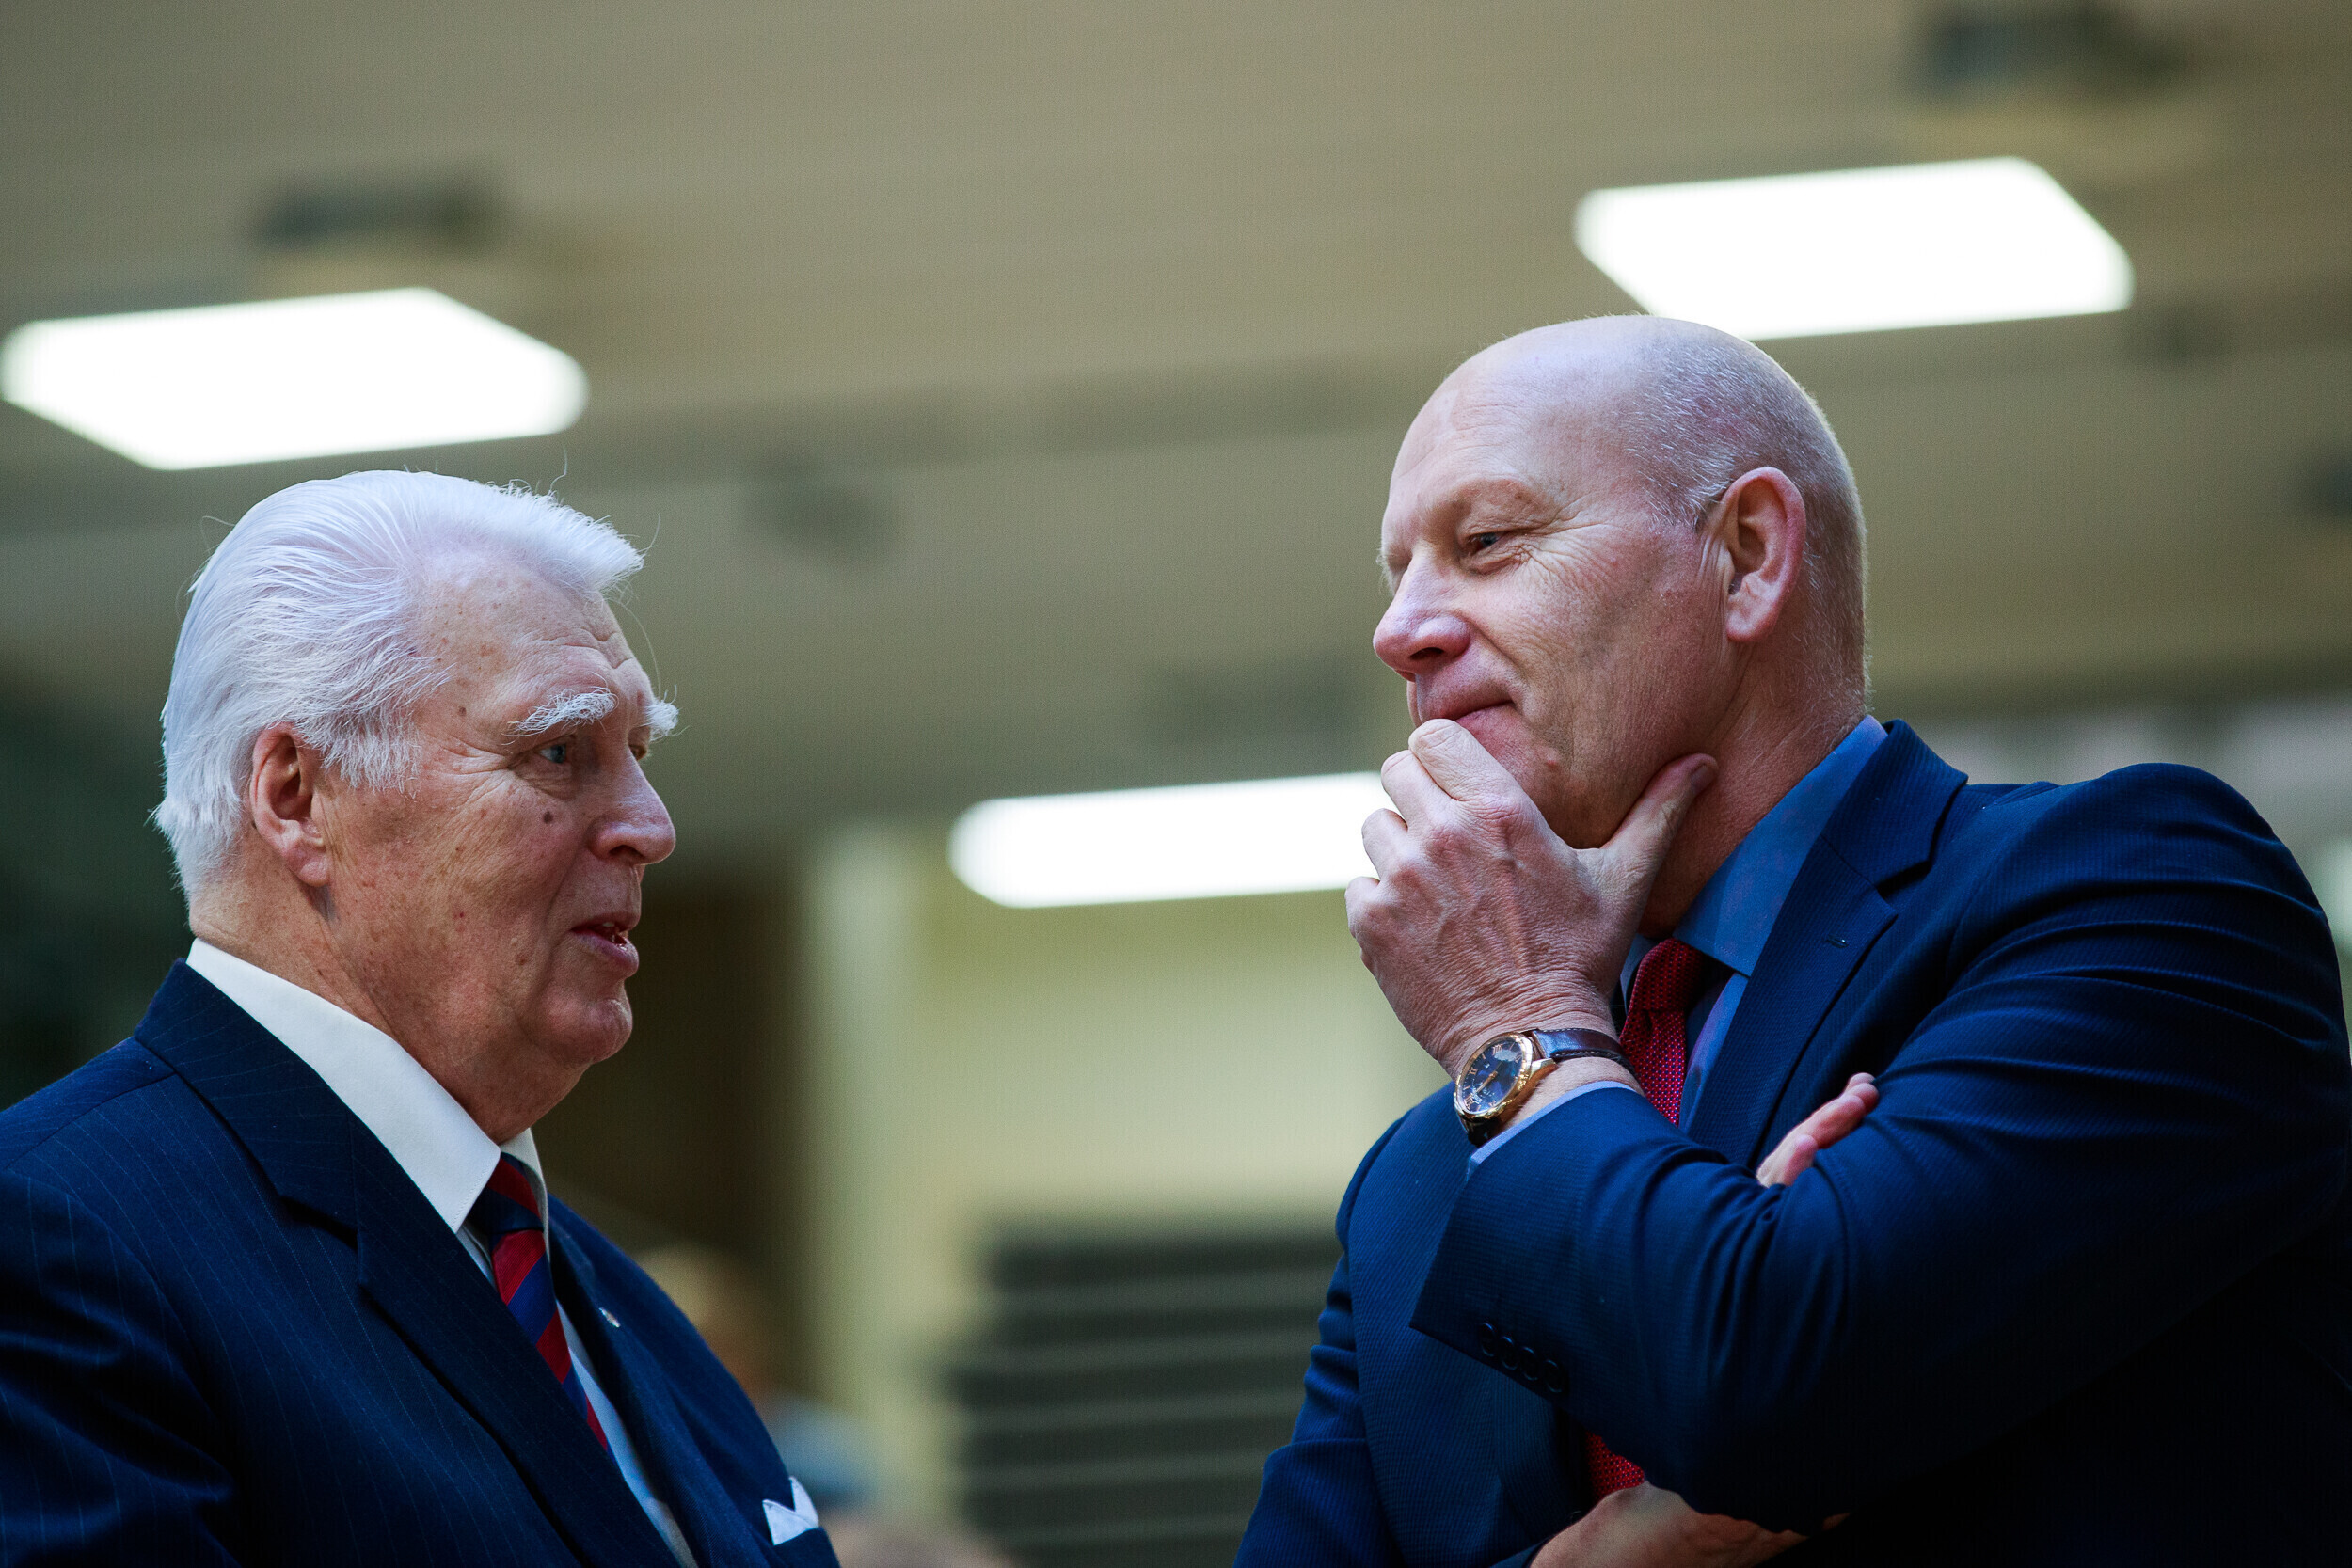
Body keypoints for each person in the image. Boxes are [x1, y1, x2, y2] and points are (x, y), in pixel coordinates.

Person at [1235, 318, 2351, 1566]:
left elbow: (1767, 1384)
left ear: (1748, 555)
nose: (1401, 629)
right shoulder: (1425, 1173)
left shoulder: (2141, 892)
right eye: (1396, 574)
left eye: (1486, 542)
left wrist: (1518, 1023)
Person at [0, 473, 839, 1567]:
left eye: (641, 752)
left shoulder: (613, 1298)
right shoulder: (59, 1239)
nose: (651, 823)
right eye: (558, 751)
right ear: (297, 796)